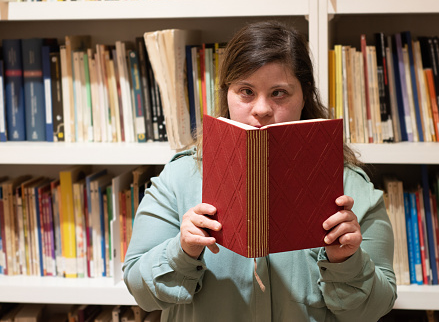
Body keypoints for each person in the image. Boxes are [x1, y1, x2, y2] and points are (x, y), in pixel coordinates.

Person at [123, 20, 397, 322]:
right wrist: (183, 249)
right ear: (227, 93)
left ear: (304, 96)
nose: (262, 109)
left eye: (279, 92)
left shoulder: (352, 188)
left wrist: (346, 260)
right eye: (246, 91)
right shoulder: (180, 177)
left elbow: (376, 308)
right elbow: (139, 288)